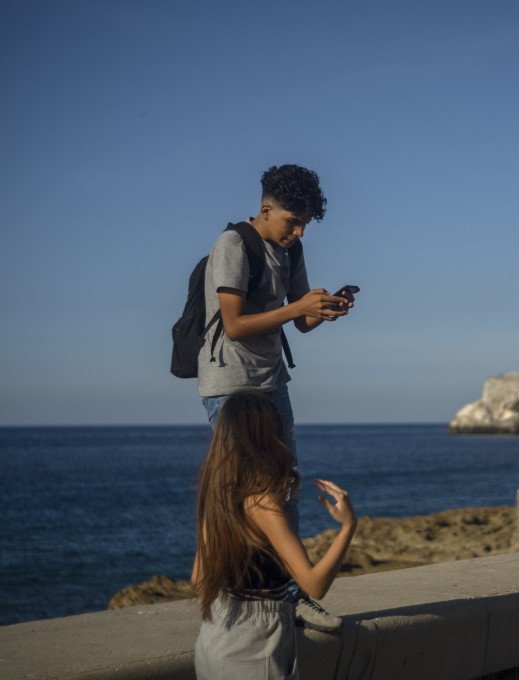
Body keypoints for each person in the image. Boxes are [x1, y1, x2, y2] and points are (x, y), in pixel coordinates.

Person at [197, 164, 355, 630]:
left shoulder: (293, 248)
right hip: (230, 387)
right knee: (240, 493)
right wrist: (297, 308)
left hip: (272, 381)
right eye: (292, 221)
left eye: (305, 223)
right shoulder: (232, 246)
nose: (299, 231)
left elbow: (300, 323)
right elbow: (234, 325)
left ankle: (288, 593)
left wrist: (324, 311)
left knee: (286, 483)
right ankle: (229, 595)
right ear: (266, 209)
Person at [192, 390, 357, 680]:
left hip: (214, 641)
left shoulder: (219, 492)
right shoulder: (262, 502)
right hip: (253, 650)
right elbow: (314, 585)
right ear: (269, 437)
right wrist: (347, 527)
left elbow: (199, 580)